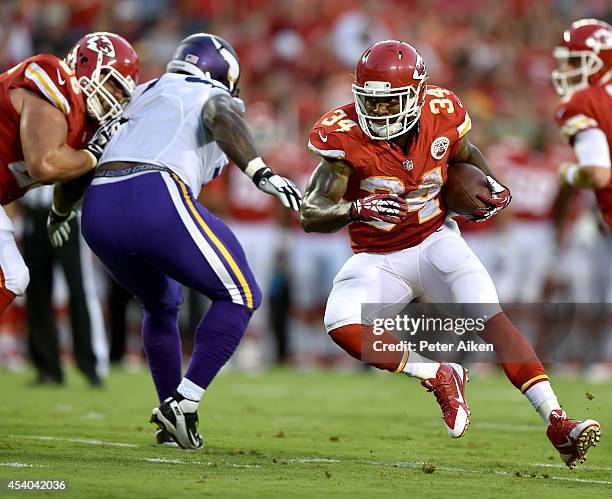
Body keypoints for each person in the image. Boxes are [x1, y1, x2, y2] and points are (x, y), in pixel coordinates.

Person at [301, 40, 600, 468]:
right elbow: (311, 214)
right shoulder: (342, 136)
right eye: (370, 101)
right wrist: (354, 207)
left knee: (490, 318)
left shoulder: (443, 113)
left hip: (435, 238)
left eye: (388, 103)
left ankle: (558, 421)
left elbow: (465, 155)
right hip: (378, 254)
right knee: (340, 323)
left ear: (415, 96)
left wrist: (491, 183)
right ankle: (438, 373)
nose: (377, 113)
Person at [50, 33, 301, 449]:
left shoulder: (137, 93)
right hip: (154, 194)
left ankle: (170, 418)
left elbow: (88, 153)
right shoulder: (209, 92)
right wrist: (261, 172)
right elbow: (221, 110)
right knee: (240, 293)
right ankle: (183, 403)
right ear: (221, 72)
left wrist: (62, 210)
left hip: (97, 209)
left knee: (161, 303)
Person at [0, 31, 139, 315]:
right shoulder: (54, 76)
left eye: (122, 93)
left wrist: (61, 211)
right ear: (86, 62)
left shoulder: (85, 126)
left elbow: (73, 173)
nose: (115, 96)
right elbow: (46, 164)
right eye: (113, 83)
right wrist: (91, 155)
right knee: (11, 274)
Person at [21, 185, 108, 386]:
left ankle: (91, 364)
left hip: (67, 213)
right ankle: (47, 367)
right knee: (37, 292)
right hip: (34, 212)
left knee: (79, 289)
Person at [551, 19, 612, 227]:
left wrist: (568, 173)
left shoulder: (581, 101)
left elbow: (598, 173)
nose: (567, 69)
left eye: (576, 62)